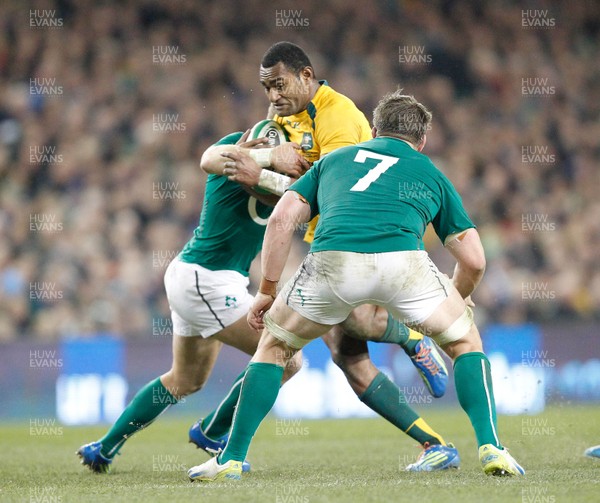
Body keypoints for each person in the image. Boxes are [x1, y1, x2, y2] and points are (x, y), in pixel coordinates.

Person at [187, 90, 525, 482]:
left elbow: (282, 220)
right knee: (466, 343)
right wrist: (457, 299)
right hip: (404, 264)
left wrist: (267, 290)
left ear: (375, 129)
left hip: (333, 262)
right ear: (422, 141)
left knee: (275, 348)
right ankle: (491, 448)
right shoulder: (430, 171)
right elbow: (475, 259)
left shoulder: (334, 161)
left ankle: (230, 459)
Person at [76, 130, 308, 473]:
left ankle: (104, 448)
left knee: (185, 379)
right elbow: (210, 159)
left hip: (198, 277)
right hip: (207, 280)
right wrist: (273, 159)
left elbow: (289, 192)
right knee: (286, 357)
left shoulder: (268, 174)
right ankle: (213, 431)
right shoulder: (238, 152)